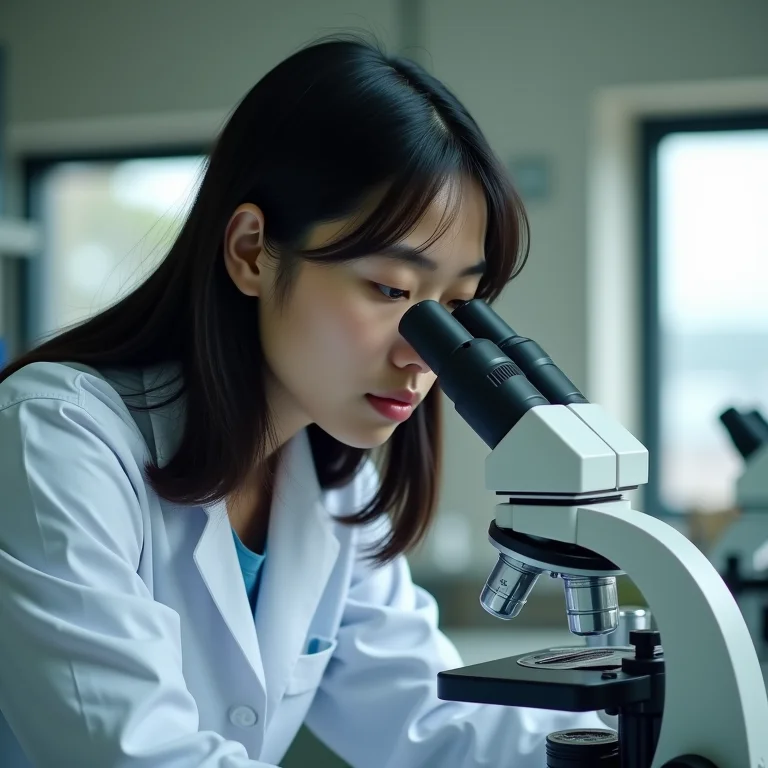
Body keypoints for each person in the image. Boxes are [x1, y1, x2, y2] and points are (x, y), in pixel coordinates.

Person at [0, 35, 610, 768]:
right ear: (253, 250)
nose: (425, 353)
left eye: (457, 308)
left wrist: (633, 748)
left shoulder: (334, 478)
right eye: (392, 290)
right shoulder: (55, 439)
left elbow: (426, 721)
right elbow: (135, 756)